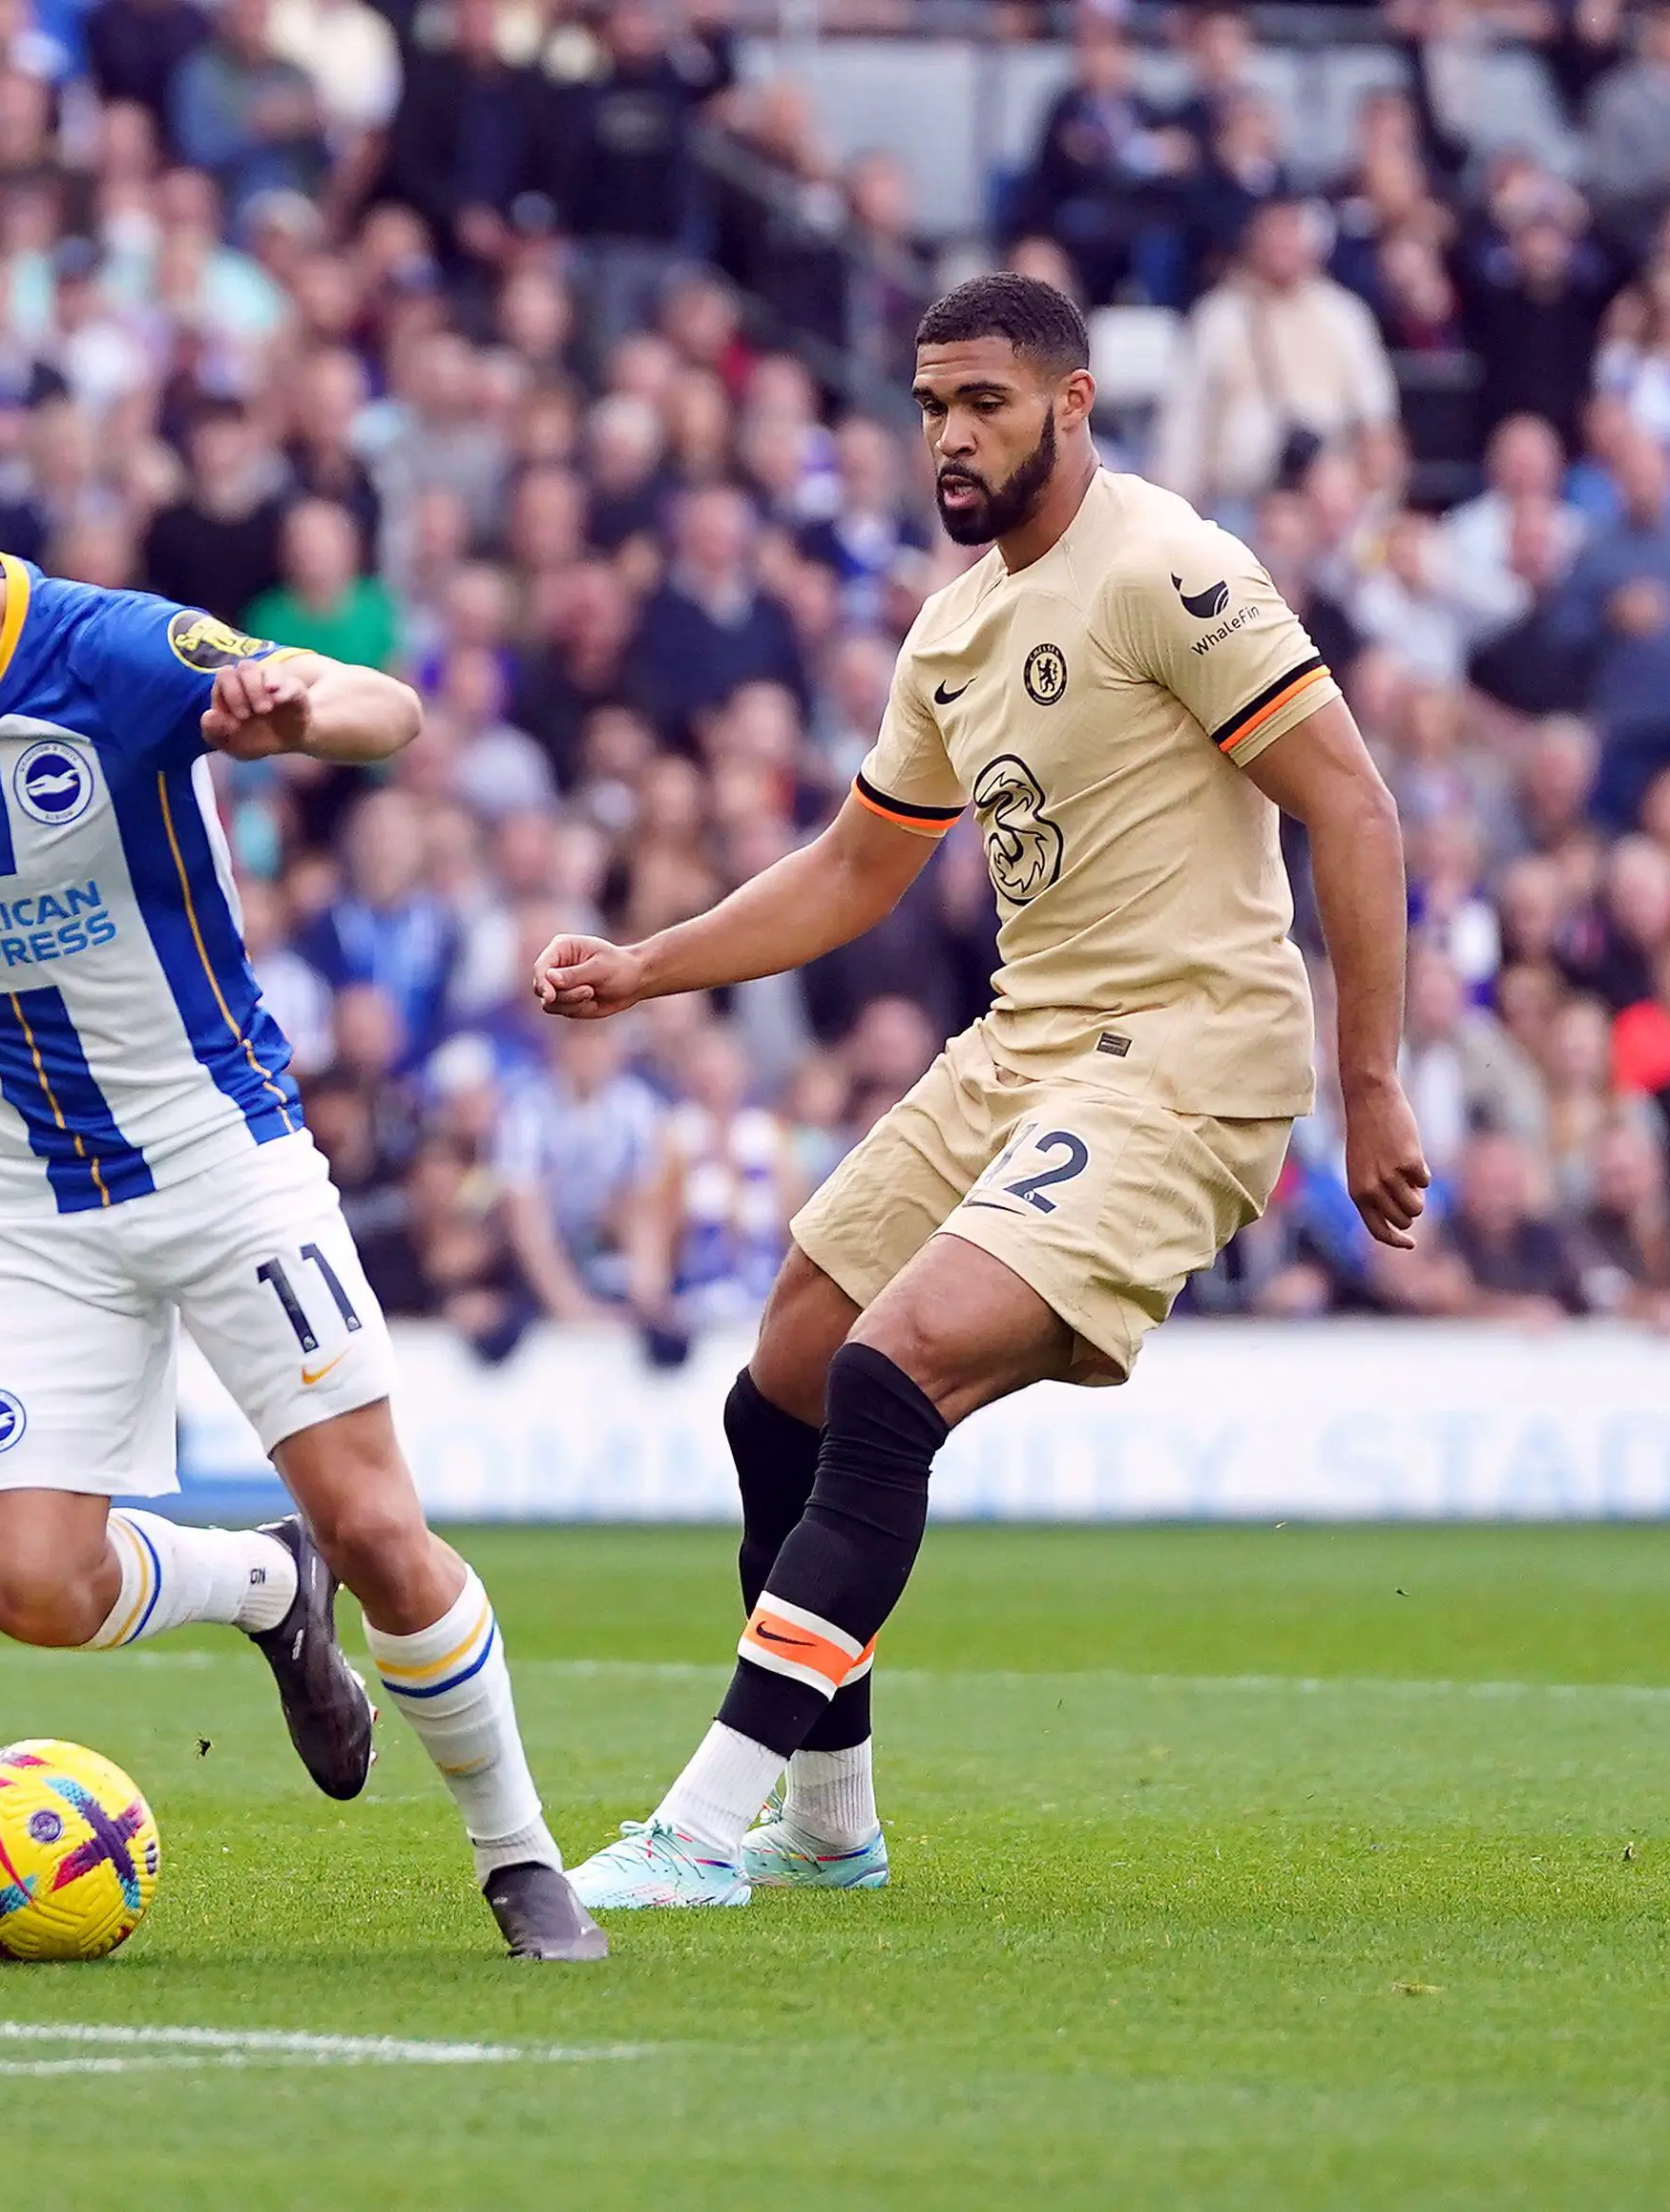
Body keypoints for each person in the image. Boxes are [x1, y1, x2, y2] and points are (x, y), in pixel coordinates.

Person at [532, 275, 1428, 1909]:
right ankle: (827, 1820)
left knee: (888, 1376)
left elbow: (1352, 812)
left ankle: (699, 1824)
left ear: (1071, 404)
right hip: (1028, 1046)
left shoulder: (1168, 565)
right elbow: (856, 865)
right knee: (781, 1387)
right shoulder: (950, 626)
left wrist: (1366, 1083)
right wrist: (647, 963)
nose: (949, 437)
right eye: (931, 406)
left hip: (1184, 1052)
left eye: (984, 405)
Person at [0, 418, 601, 1962]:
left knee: (376, 1523)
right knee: (25, 1582)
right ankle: (258, 1585)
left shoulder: (117, 651)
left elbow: (387, 706)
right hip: (20, 1200)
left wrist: (292, 711)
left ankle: (519, 1858)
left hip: (221, 1157)